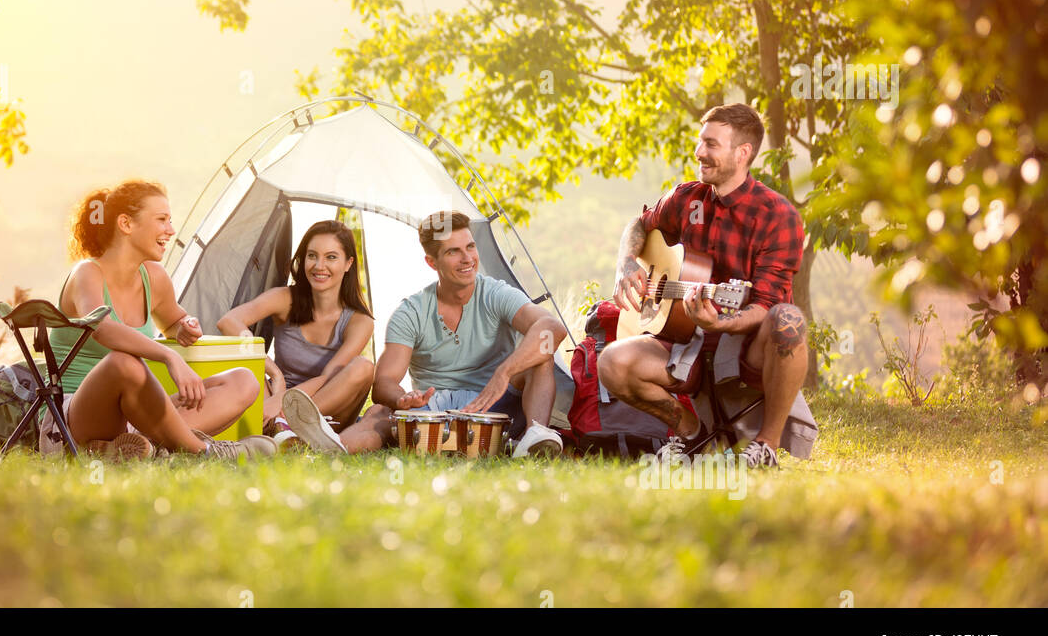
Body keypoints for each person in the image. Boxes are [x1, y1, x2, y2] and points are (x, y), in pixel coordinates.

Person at [598, 103, 808, 469]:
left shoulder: (779, 216)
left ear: (742, 153)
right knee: (612, 363)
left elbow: (763, 306)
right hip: (685, 339)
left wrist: (719, 323)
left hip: (745, 346)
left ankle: (766, 448)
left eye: (711, 144)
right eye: (700, 142)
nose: (699, 152)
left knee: (788, 319)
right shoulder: (686, 197)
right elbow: (639, 224)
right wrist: (626, 264)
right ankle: (692, 435)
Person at [39, 180, 275, 460]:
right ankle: (205, 452)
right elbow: (102, 329)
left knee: (244, 381)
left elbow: (172, 321)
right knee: (123, 362)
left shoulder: (153, 276)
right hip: (73, 416)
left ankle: (139, 448)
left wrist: (185, 326)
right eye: (162, 220)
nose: (171, 230)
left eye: (170, 220)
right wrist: (169, 356)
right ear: (126, 224)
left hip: (134, 418)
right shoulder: (87, 274)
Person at [330, 211, 568, 456]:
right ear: (432, 262)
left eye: (470, 247)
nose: (468, 259)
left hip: (496, 409)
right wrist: (404, 398)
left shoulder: (495, 293)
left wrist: (503, 373)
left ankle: (534, 437)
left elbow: (552, 328)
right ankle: (330, 447)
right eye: (453, 252)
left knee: (541, 355)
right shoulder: (411, 311)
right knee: (378, 412)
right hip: (433, 413)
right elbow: (383, 384)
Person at [217, 220, 375, 452]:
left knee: (363, 367)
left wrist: (283, 405)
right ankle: (277, 431)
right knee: (245, 361)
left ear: (348, 263)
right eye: (312, 256)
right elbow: (229, 322)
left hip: (326, 408)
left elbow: (328, 377)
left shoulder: (360, 321)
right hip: (275, 395)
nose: (319, 266)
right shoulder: (285, 298)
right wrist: (274, 373)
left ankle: (286, 427)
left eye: (331, 257)